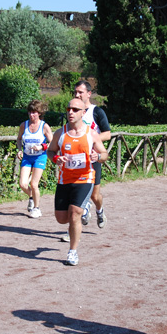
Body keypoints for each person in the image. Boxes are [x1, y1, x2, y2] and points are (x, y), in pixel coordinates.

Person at [47, 98, 108, 266]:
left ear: (83, 113)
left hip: (85, 178)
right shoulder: (61, 133)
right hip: (64, 180)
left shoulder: (91, 134)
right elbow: (50, 151)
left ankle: (72, 252)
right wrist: (57, 158)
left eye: (75, 109)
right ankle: (82, 209)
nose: (71, 112)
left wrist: (98, 157)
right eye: (69, 109)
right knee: (61, 218)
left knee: (75, 213)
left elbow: (104, 153)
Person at [73, 80, 111, 231]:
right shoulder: (72, 110)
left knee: (95, 196)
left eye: (80, 92)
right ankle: (76, 223)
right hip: (77, 159)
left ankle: (99, 211)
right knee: (76, 192)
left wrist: (90, 140)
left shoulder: (97, 112)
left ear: (88, 94)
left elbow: (107, 134)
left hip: (93, 157)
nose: (77, 95)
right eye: (75, 92)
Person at [16, 100, 53, 218]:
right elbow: (19, 139)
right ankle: (32, 197)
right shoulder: (24, 125)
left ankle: (37, 209)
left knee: (34, 183)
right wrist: (19, 149)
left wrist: (42, 146)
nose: (31, 115)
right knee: (22, 184)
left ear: (39, 113)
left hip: (40, 157)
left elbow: (53, 143)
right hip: (27, 157)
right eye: (30, 112)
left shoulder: (44, 126)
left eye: (34, 112)